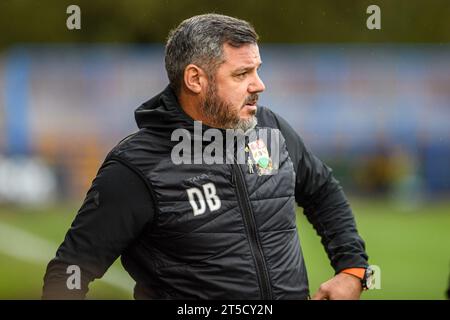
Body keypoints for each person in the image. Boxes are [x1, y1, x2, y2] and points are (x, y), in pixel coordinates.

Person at [42, 13, 369, 300]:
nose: (260, 85)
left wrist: (353, 270)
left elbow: (322, 189)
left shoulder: (271, 130)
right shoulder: (137, 166)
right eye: (242, 74)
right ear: (195, 79)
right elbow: (70, 272)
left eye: (257, 70)